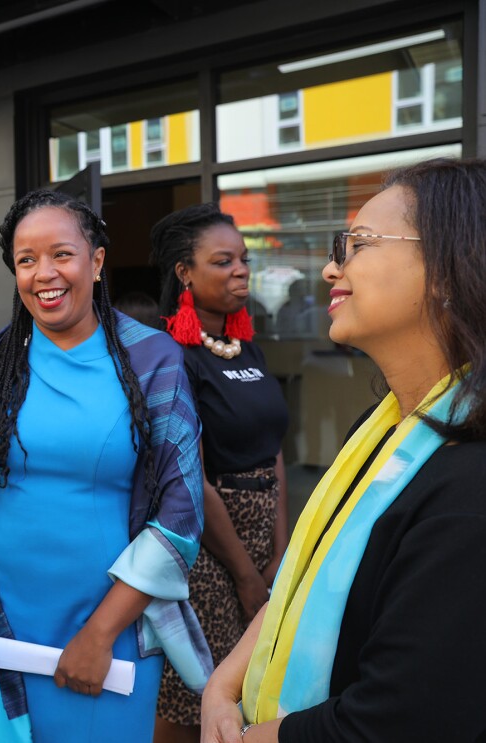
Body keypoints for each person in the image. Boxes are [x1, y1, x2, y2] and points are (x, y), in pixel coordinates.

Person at [0, 190, 212, 741]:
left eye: (61, 254)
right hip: (1, 621)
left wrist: (99, 636)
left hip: (108, 630)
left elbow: (181, 516)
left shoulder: (152, 360)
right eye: (26, 260)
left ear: (96, 261)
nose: (43, 273)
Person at [201, 158, 486, 742]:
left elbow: (398, 720)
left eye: (356, 244)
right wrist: (221, 687)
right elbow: (300, 587)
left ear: (445, 269)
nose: (332, 267)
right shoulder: (382, 429)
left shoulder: (469, 480)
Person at [148, 204, 288, 743]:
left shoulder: (244, 344)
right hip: (206, 547)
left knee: (252, 684)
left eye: (244, 261)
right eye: (223, 261)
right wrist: (247, 575)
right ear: (185, 272)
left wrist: (278, 553)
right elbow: (192, 478)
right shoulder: (168, 354)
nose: (241, 271)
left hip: (262, 534)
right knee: (199, 694)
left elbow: (272, 449)